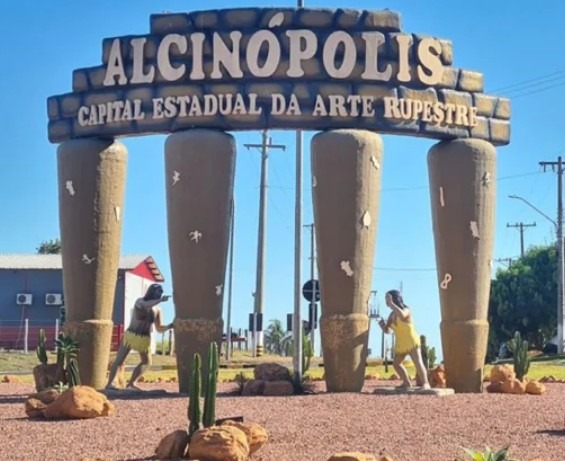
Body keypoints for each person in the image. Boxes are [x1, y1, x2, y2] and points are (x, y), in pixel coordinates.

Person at [106, 283, 173, 390]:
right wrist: (160, 300)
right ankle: (109, 384)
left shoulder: (158, 310)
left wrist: (170, 326)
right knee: (119, 360)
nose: (159, 294)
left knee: (147, 362)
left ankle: (131, 383)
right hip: (131, 335)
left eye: (161, 292)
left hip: (144, 339)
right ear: (151, 291)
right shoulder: (140, 301)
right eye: (158, 292)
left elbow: (159, 328)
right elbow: (145, 306)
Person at [377, 289, 430, 390]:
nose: (386, 300)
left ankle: (426, 383)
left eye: (387, 297)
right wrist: (382, 325)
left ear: (394, 298)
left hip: (411, 340)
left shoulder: (406, 310)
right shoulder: (391, 315)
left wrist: (391, 304)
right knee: (396, 364)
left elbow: (402, 315)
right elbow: (388, 331)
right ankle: (406, 383)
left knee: (417, 362)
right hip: (401, 342)